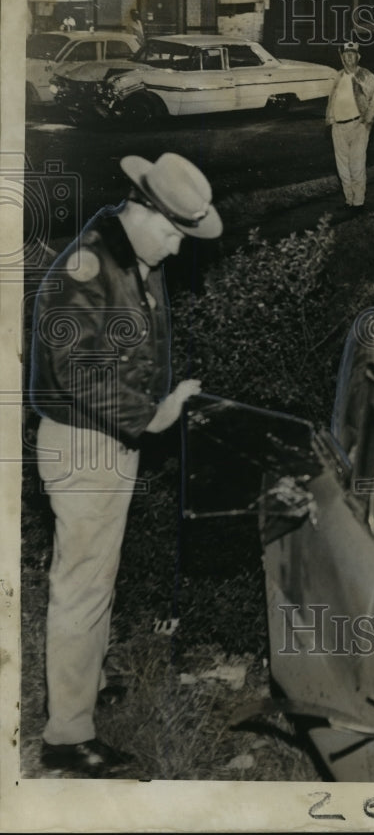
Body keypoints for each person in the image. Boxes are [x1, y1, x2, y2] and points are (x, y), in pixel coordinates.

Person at [30, 152, 222, 777]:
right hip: (86, 444)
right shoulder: (88, 266)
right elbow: (74, 367)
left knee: (97, 575)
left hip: (108, 441)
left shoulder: (132, 253)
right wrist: (153, 415)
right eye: (171, 231)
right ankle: (67, 737)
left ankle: (87, 678)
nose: (175, 247)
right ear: (140, 209)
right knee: (82, 586)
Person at [325, 41, 374, 212]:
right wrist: (330, 119)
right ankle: (348, 199)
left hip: (358, 125)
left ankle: (358, 202)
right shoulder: (338, 76)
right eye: (346, 55)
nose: (349, 58)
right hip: (338, 127)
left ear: (358, 56)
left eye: (352, 55)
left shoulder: (366, 76)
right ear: (342, 57)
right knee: (342, 166)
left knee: (356, 165)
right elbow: (331, 100)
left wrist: (366, 121)